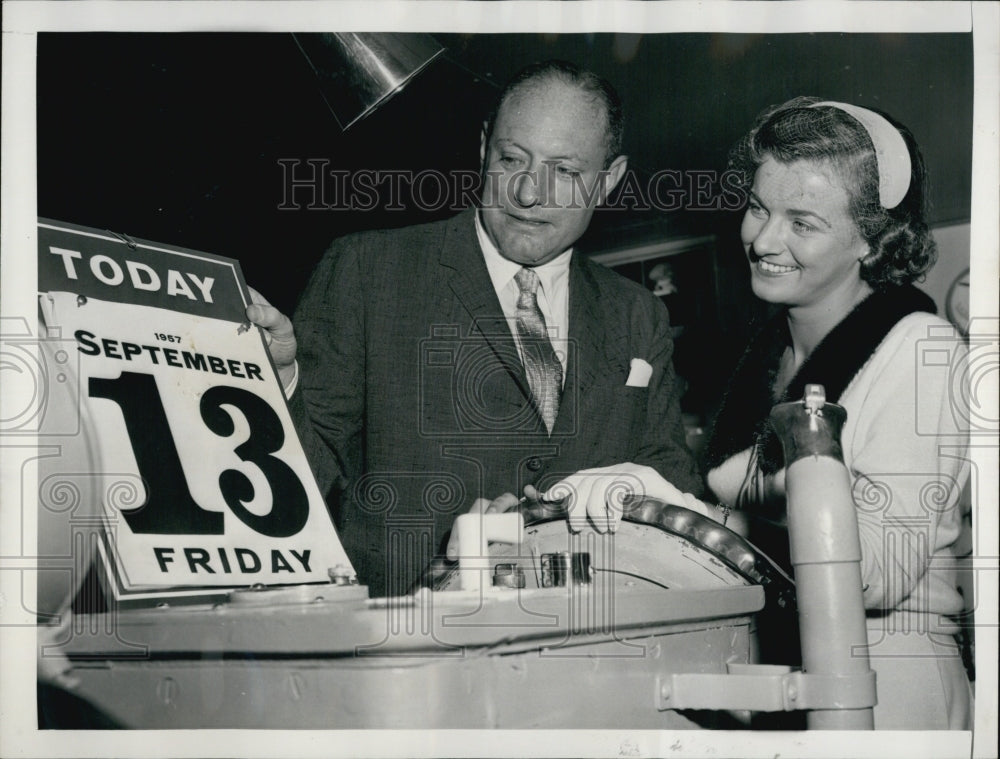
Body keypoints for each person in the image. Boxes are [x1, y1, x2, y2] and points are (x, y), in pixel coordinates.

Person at [539, 97, 972, 729]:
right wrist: (654, 504)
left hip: (889, 685)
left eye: (802, 223)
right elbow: (738, 527)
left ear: (873, 243)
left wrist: (690, 513)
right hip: (778, 672)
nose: (762, 239)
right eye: (759, 208)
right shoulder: (765, 353)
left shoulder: (922, 349)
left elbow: (877, 574)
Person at [248, 60, 703, 597]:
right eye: (512, 159)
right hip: (408, 646)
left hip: (591, 643)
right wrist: (276, 385)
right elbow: (294, 481)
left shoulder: (638, 313)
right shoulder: (368, 270)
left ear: (609, 181)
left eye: (565, 172)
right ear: (483, 147)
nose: (530, 194)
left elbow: (671, 484)